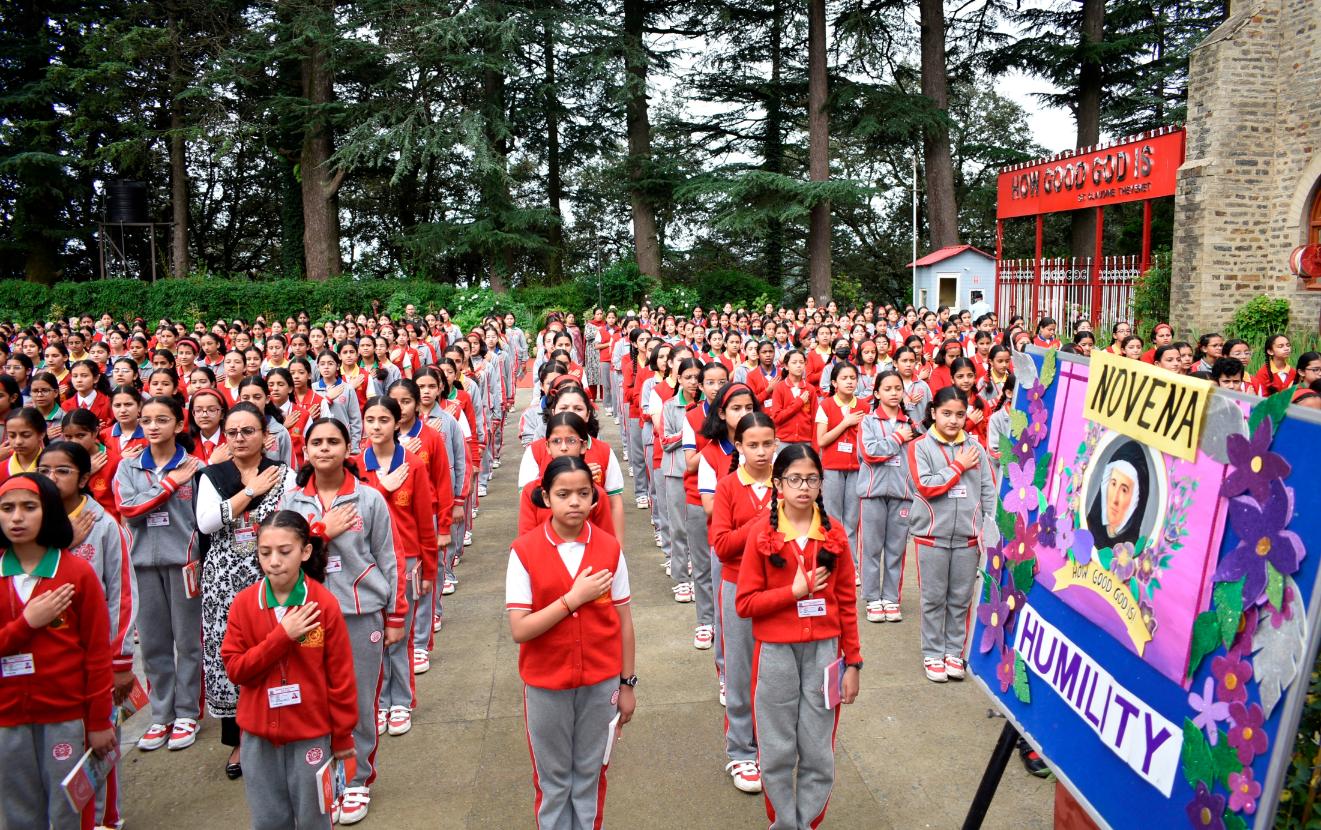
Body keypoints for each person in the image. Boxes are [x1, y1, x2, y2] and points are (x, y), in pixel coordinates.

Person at [280, 418, 402, 825]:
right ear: (305, 450)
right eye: (317, 442)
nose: (325, 448)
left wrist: (395, 615)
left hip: (359, 613)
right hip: (308, 614)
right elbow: (282, 557)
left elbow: (389, 558)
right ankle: (327, 777)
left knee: (359, 700)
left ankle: (357, 779)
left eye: (333, 441)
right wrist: (320, 531)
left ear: (349, 448)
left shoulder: (369, 499)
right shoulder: (292, 503)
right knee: (314, 698)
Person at [735, 443, 861, 830]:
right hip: (775, 652)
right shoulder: (762, 533)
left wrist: (853, 663)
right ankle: (784, 823)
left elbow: (847, 601)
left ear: (821, 484)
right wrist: (792, 593)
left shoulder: (833, 533)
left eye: (812, 479)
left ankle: (807, 822)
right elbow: (745, 603)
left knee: (818, 747)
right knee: (776, 747)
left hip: (825, 652)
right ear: (778, 484)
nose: (803, 487)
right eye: (794, 479)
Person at [505, 456, 636, 830]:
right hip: (546, 685)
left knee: (591, 774)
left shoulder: (609, 548)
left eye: (583, 493)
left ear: (595, 497)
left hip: (601, 683)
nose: (575, 502)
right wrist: (572, 599)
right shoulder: (524, 551)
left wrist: (627, 684)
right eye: (563, 494)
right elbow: (520, 629)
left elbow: (624, 622)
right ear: (546, 497)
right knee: (554, 780)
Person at [220, 511, 358, 829]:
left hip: (310, 734)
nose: (274, 562)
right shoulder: (244, 604)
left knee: (314, 818)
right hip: (258, 736)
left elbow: (340, 677)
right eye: (265, 552)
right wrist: (282, 636)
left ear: (305, 551)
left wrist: (342, 736)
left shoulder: (323, 604)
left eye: (285, 551)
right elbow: (236, 669)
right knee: (268, 820)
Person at [0, 473, 116, 830]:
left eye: (28, 507)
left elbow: (97, 653)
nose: (17, 517)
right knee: (19, 812)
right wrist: (27, 623)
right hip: (7, 719)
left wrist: (99, 721)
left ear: (48, 511)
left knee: (70, 811)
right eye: (7, 508)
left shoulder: (76, 572)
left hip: (66, 716)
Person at [37, 442, 137, 829]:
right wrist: (64, 544)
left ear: (83, 478)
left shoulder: (103, 525)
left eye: (62, 471)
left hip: (95, 659)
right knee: (59, 748)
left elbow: (122, 594)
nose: (51, 478)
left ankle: (105, 819)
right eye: (44, 470)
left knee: (100, 740)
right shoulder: (31, 525)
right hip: (48, 660)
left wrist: (120, 660)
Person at [195, 402, 292, 779]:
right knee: (232, 655)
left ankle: (279, 727)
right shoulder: (212, 475)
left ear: (265, 436)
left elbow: (293, 519)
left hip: (270, 576)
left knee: (274, 649)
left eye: (248, 431)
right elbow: (206, 523)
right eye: (232, 432)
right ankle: (239, 740)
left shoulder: (282, 473)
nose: (239, 438)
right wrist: (251, 490)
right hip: (223, 582)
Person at [113, 395, 205, 751]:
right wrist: (168, 485)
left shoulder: (195, 467)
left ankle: (187, 713)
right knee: (153, 644)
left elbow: (202, 519)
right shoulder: (128, 467)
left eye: (162, 419)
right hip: (142, 565)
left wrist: (179, 480)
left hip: (184, 564)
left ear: (179, 424)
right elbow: (128, 509)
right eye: (147, 420)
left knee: (188, 641)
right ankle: (161, 714)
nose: (153, 426)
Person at [357, 396, 437, 738]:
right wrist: (382, 487)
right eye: (370, 419)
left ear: (396, 423)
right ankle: (378, 701)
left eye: (384, 420)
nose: (376, 426)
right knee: (372, 636)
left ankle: (400, 700)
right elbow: (353, 513)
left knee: (399, 633)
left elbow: (424, 521)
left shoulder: (413, 465)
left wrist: (429, 570)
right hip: (365, 562)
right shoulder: (356, 465)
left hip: (406, 560)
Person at [907, 386, 997, 683]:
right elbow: (927, 486)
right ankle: (933, 652)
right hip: (931, 536)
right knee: (933, 598)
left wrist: (987, 527)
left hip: (968, 538)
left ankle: (953, 651)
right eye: (946, 413)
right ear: (933, 413)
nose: (953, 420)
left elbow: (987, 490)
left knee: (961, 598)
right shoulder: (920, 446)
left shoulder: (976, 448)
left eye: (959, 414)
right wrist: (958, 466)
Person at [708, 411, 777, 795]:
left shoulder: (787, 482)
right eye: (753, 445)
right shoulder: (729, 487)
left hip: (781, 588)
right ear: (739, 446)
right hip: (738, 587)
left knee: (775, 672)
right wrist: (761, 522)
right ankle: (741, 750)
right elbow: (722, 546)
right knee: (739, 671)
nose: (762, 451)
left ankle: (769, 744)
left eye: (768, 443)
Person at [858, 369, 915, 623]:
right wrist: (897, 438)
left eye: (898, 388)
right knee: (871, 547)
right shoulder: (868, 422)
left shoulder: (911, 423)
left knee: (896, 548)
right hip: (872, 492)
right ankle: (873, 598)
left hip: (903, 494)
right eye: (888, 389)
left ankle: (891, 598)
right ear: (877, 393)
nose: (893, 393)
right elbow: (870, 453)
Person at [815, 361, 868, 566]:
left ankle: (851, 566)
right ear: (834, 383)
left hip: (856, 468)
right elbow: (821, 440)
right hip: (832, 469)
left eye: (853, 378)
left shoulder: (864, 406)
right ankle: (832, 562)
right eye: (844, 378)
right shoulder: (826, 405)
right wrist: (845, 423)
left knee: (852, 521)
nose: (849, 382)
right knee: (832, 518)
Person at [1085, 440, 1151, 551]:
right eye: (1113, 484)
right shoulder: (1089, 528)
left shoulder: (1130, 552)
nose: (1115, 499)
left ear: (1135, 501)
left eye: (1124, 490)